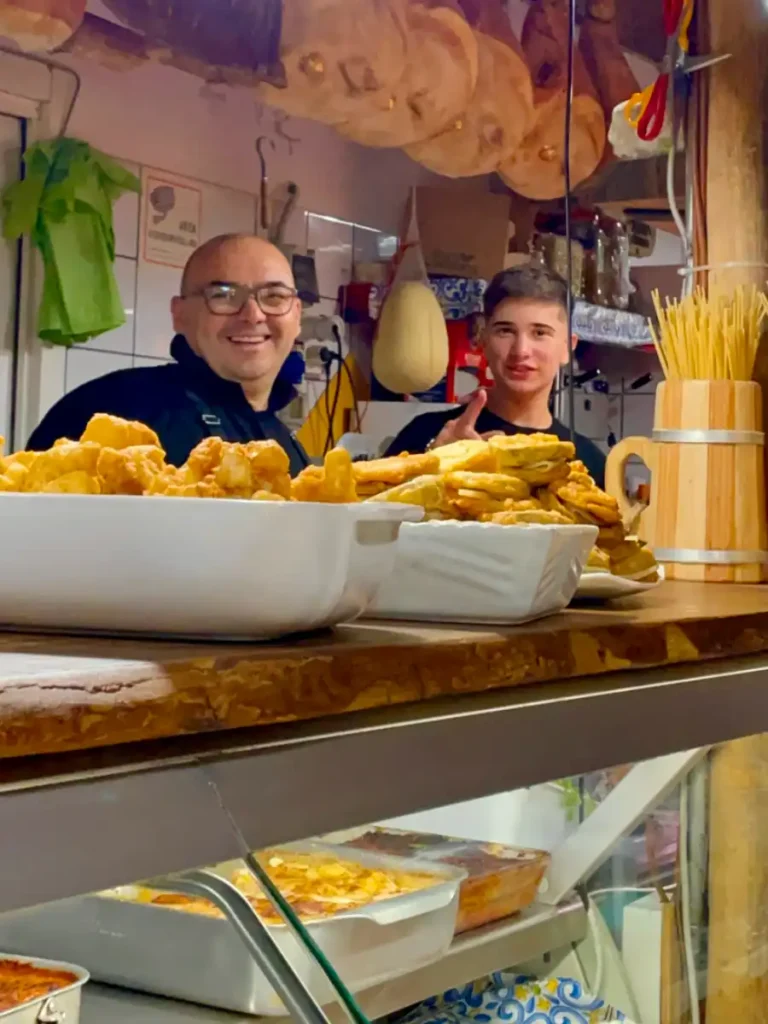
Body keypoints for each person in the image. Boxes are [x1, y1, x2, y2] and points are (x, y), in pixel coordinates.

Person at [28, 234, 309, 473]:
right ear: (180, 314)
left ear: (296, 316)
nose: (253, 314)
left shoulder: (288, 446)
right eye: (223, 295)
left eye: (274, 297)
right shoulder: (109, 411)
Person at [384, 265, 606, 487]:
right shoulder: (424, 433)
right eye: (505, 331)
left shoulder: (589, 464)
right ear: (484, 341)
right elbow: (365, 515)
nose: (521, 350)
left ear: (568, 347)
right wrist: (432, 466)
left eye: (540, 333)